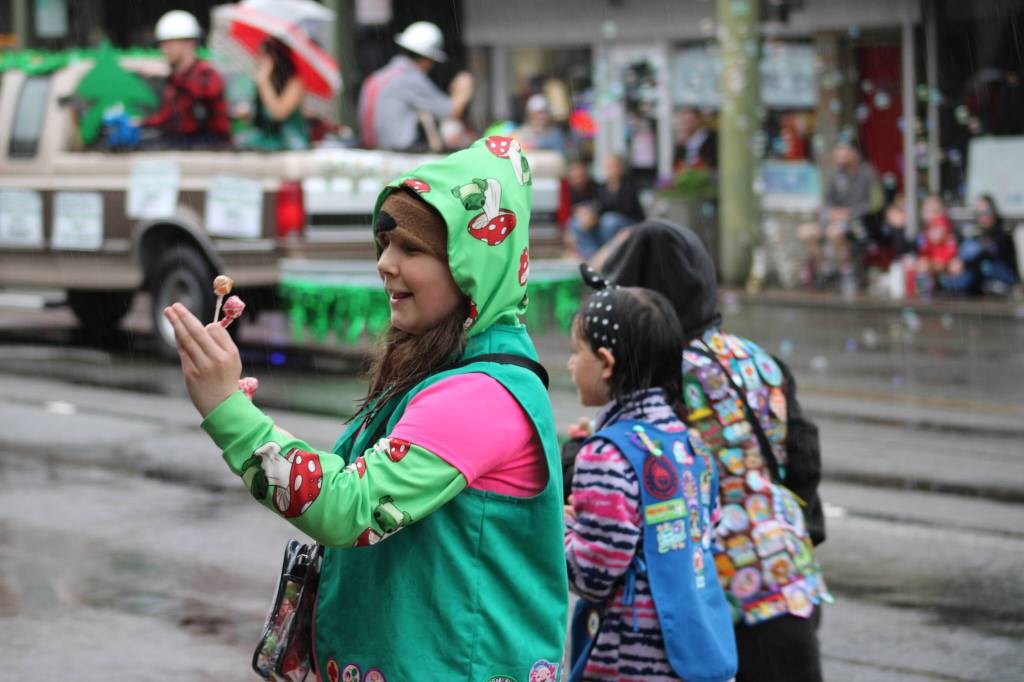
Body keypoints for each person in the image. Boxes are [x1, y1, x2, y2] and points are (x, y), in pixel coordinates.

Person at [162, 138, 568, 679]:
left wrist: (228, 413)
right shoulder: (448, 365)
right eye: (384, 243)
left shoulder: (482, 395)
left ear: (472, 264)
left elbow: (350, 506)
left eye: (411, 249)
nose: (385, 264)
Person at [600, 220, 829, 682]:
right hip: (787, 582)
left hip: (711, 608)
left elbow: (619, 479)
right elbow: (802, 458)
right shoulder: (755, 358)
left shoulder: (657, 377)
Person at [563, 271, 738, 682]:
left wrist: (562, 527)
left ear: (606, 363)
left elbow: (593, 573)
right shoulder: (690, 446)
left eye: (577, 351)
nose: (571, 363)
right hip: (696, 652)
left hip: (632, 662)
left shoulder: (605, 454)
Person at [358, 21, 474, 151]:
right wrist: (463, 91)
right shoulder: (409, 78)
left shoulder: (377, 76)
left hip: (373, 150)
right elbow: (450, 112)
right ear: (427, 59)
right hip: (397, 153)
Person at [797, 141, 883, 288]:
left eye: (843, 151)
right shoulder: (837, 176)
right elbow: (826, 202)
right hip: (834, 222)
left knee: (834, 232)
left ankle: (847, 272)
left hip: (860, 224)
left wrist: (848, 213)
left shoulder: (869, 173)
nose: (839, 156)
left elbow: (876, 203)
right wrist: (829, 212)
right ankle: (825, 269)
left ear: (854, 154)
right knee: (805, 232)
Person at [142, 10, 231, 148]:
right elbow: (168, 116)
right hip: (182, 143)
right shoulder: (174, 79)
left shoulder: (207, 74)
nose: (164, 49)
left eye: (169, 43)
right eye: (163, 44)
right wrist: (141, 124)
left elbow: (201, 92)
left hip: (211, 146)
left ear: (189, 43)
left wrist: (168, 74)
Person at [570, 154, 645, 260]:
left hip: (630, 224)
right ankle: (592, 256)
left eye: (614, 166)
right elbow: (596, 206)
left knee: (609, 221)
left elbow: (626, 209)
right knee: (578, 223)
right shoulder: (601, 187)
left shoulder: (629, 186)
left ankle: (610, 257)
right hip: (605, 221)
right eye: (609, 166)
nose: (612, 170)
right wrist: (589, 216)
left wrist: (598, 216)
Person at [942, 194, 1020, 296]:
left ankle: (957, 285)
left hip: (1005, 274)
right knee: (968, 247)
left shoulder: (1003, 232)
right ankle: (953, 282)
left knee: (984, 265)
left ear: (993, 211)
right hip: (979, 271)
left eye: (986, 212)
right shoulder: (977, 233)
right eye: (979, 213)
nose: (983, 216)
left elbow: (990, 254)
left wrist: (965, 264)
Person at [238, 37, 308, 151]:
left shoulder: (295, 83)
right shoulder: (266, 82)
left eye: (263, 56)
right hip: (265, 138)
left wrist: (264, 82)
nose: (258, 59)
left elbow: (278, 113)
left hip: (289, 140)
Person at [914, 195, 959, 296]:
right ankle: (924, 292)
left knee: (956, 266)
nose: (933, 215)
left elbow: (952, 248)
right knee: (922, 265)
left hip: (946, 263)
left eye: (936, 210)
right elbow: (923, 251)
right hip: (931, 264)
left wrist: (945, 261)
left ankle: (951, 291)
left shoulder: (949, 230)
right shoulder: (922, 233)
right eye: (930, 210)